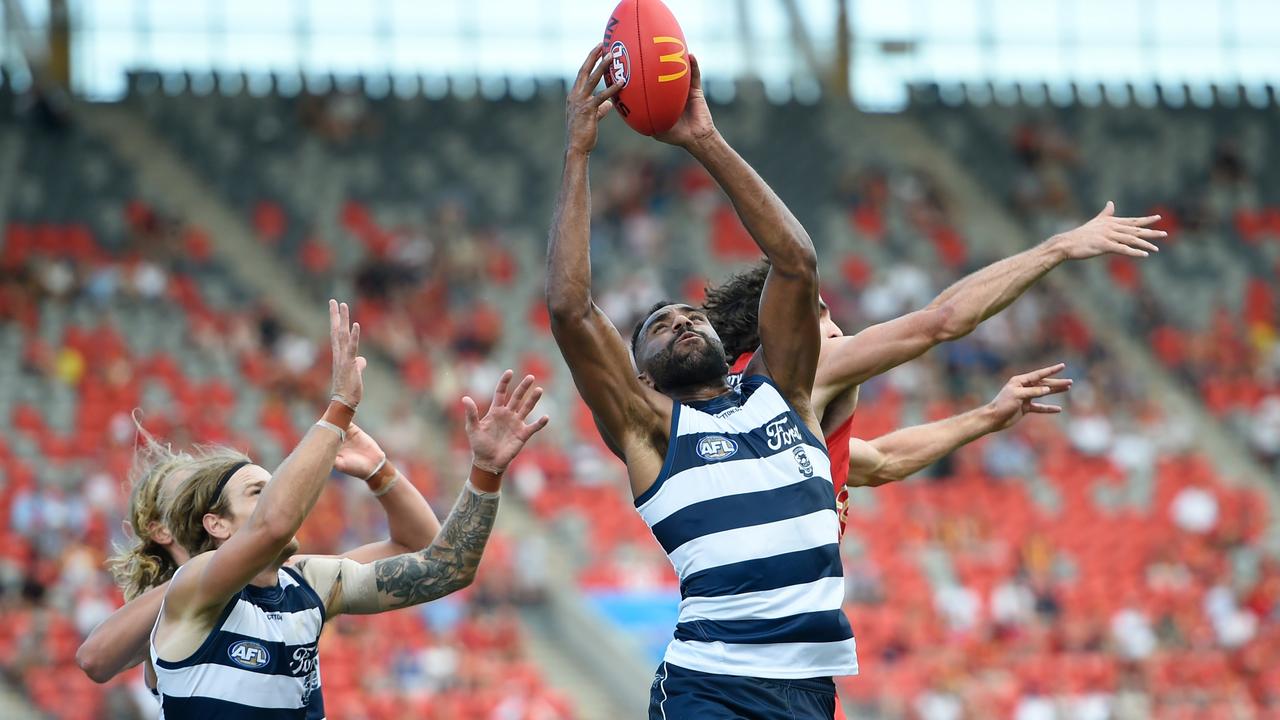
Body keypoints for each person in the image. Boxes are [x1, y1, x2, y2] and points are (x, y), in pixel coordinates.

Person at [549, 45, 851, 718]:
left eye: (691, 316)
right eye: (659, 328)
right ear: (643, 376)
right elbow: (570, 311)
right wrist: (577, 155)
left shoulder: (783, 391)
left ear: (725, 341)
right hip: (712, 688)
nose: (682, 324)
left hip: (810, 690)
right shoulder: (649, 427)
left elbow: (796, 263)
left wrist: (704, 140)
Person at [148, 299, 548, 718]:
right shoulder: (193, 586)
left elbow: (443, 566)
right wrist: (339, 407)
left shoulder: (304, 582)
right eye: (256, 492)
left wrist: (479, 472)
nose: (275, 497)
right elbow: (273, 524)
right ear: (217, 524)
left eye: (272, 488)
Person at [703, 203, 1164, 528]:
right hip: (761, 642)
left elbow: (883, 461)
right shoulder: (806, 367)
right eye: (819, 315)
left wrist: (986, 417)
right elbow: (944, 323)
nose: (836, 327)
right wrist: (1057, 248)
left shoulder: (753, 404)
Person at [77, 416, 442, 691]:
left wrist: (379, 472)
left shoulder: (289, 577)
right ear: (162, 529)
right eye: (189, 494)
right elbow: (94, 659)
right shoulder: (172, 609)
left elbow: (426, 555)